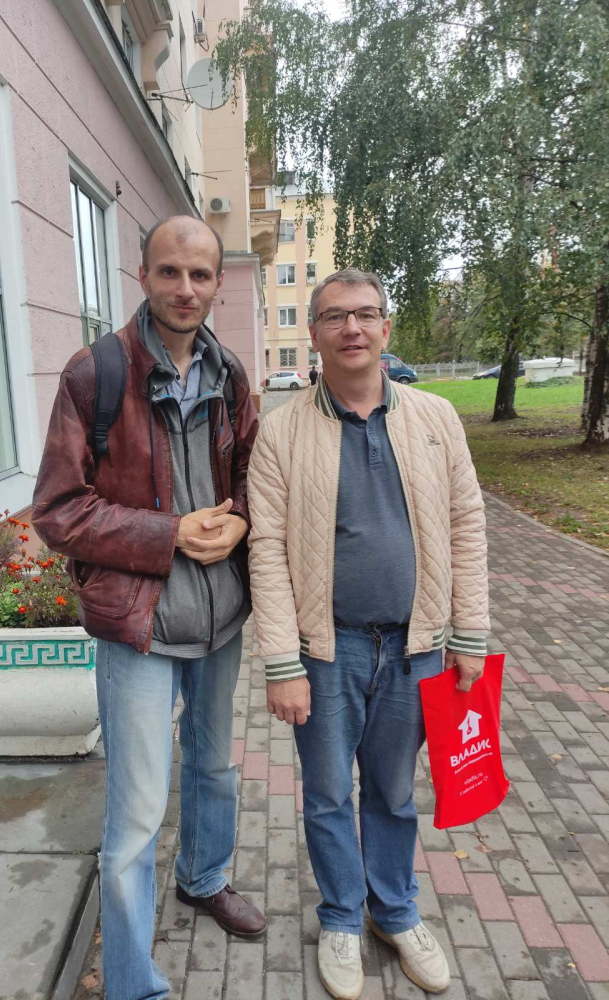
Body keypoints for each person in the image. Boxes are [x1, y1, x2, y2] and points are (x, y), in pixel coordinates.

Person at [32, 216, 265, 1000]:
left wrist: (241, 519)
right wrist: (167, 534)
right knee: (136, 812)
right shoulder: (95, 373)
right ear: (143, 277)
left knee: (214, 767)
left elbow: (253, 478)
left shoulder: (231, 375)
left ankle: (204, 878)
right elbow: (58, 511)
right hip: (138, 624)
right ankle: (133, 981)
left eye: (200, 275)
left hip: (220, 616)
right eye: (170, 272)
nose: (185, 288)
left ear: (218, 283)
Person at [247, 269, 488, 999]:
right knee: (327, 794)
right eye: (334, 317)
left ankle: (396, 911)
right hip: (327, 651)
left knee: (392, 791)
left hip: (416, 647)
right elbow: (267, 547)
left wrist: (470, 632)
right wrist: (281, 661)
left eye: (365, 314)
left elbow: (467, 524)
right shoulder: (282, 429)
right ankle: (342, 919)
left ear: (387, 326)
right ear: (314, 334)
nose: (351, 328)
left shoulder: (436, 418)